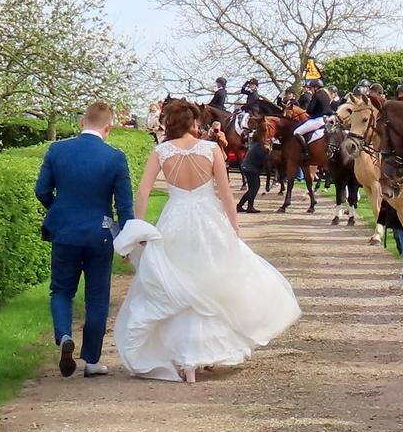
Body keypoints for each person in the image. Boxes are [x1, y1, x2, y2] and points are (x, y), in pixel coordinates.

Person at [114, 99, 300, 382]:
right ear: (193, 123)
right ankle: (207, 352)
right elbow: (225, 192)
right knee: (211, 282)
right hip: (207, 220)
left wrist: (139, 227)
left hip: (174, 221)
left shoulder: (161, 151)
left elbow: (142, 192)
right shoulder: (211, 149)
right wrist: (234, 226)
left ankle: (186, 359)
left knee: (180, 285)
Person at [34, 101, 136, 379]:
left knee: (61, 291)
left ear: (81, 122)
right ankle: (91, 360)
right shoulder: (115, 158)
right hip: (100, 233)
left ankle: (65, 335)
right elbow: (124, 207)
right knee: (97, 297)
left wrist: (59, 208)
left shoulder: (57, 150)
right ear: (109, 126)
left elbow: (41, 190)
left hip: (65, 231)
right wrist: (126, 240)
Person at [237, 122, 270, 213]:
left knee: (252, 188)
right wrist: (268, 152)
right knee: (254, 187)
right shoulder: (260, 146)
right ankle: (249, 207)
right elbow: (264, 158)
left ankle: (240, 205)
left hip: (247, 167)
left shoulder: (254, 143)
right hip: (251, 169)